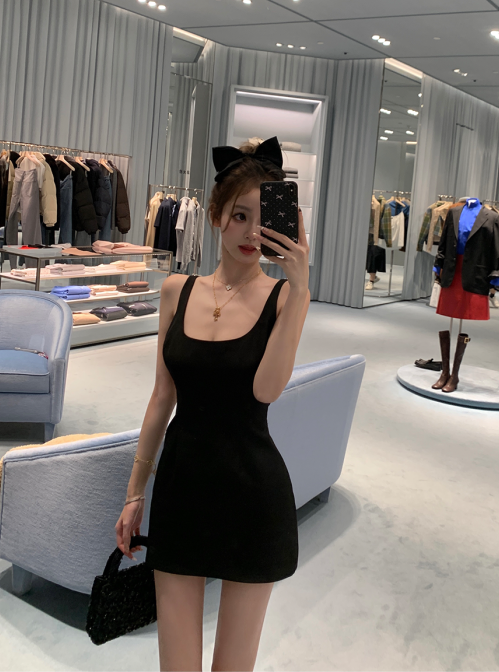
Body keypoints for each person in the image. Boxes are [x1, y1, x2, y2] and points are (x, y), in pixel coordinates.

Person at [115, 136, 310, 672]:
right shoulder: (176, 291)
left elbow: (266, 391)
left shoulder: (283, 298)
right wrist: (134, 493)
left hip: (253, 495)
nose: (251, 233)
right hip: (182, 490)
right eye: (239, 216)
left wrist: (300, 291)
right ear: (216, 216)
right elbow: (162, 397)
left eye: (263, 220)